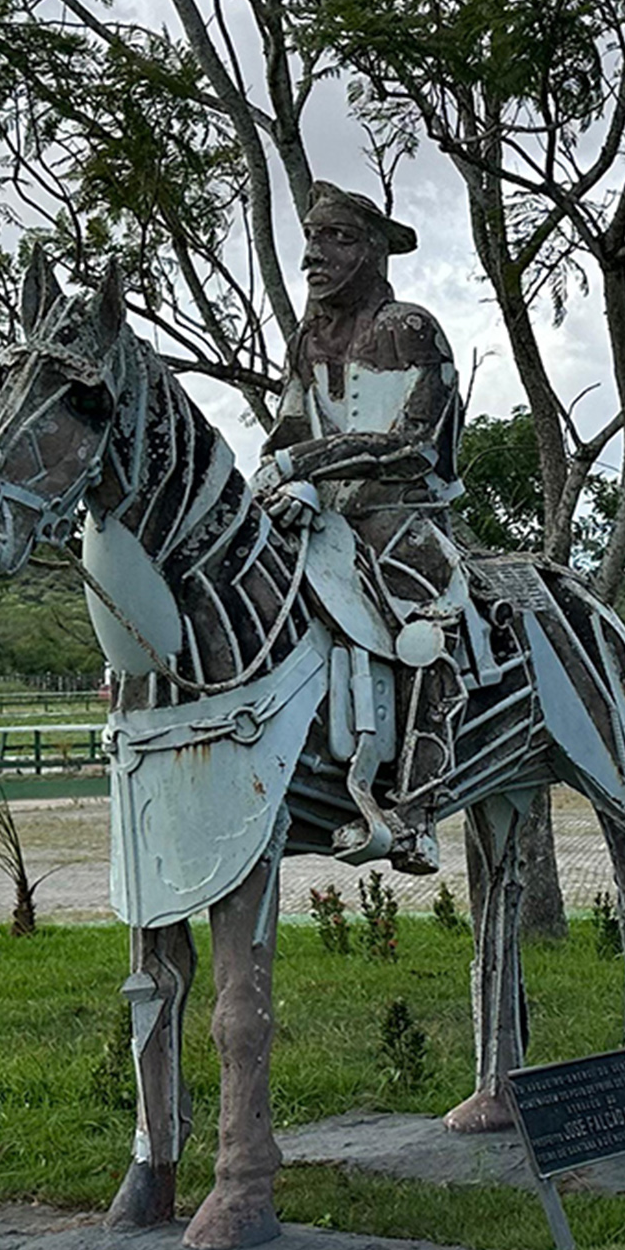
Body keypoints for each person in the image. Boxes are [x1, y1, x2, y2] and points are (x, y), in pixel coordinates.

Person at [251, 182, 466, 873]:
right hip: (323, 519)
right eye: (311, 238)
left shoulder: (409, 330)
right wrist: (290, 482)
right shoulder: (307, 340)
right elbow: (286, 429)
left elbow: (413, 447)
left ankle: (418, 807)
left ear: (374, 251)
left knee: (425, 626)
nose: (314, 254)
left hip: (402, 520)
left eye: (336, 238)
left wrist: (307, 462)